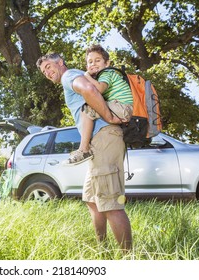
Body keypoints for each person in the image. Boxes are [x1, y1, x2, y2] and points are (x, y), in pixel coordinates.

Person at [36, 53, 132, 250]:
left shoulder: (69, 75)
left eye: (49, 66)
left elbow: (88, 89)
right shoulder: (75, 76)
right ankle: (102, 249)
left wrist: (108, 115)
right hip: (95, 143)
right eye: (44, 70)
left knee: (110, 203)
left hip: (104, 137)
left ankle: (128, 259)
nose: (47, 72)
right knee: (92, 200)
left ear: (60, 62)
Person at [66, 44, 133, 164]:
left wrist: (86, 76)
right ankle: (84, 148)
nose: (93, 64)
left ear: (106, 63)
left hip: (122, 108)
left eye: (97, 60)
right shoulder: (106, 75)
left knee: (87, 109)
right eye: (90, 62)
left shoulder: (106, 73)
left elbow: (99, 89)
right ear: (87, 65)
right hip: (122, 108)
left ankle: (83, 149)